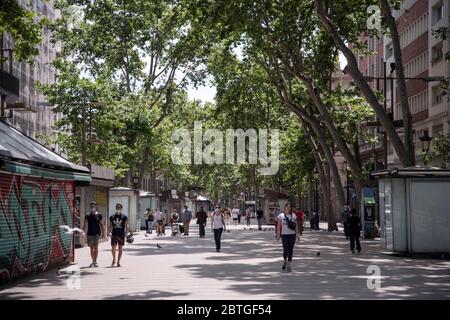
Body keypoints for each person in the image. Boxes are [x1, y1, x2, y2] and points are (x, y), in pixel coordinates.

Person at [276, 203, 299, 272]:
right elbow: (279, 226)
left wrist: (297, 234)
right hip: (284, 235)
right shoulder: (281, 216)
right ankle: (285, 260)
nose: (288, 208)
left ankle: (289, 264)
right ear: (285, 207)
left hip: (292, 235)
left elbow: (296, 225)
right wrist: (278, 235)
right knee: (285, 249)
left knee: (290, 249)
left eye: (290, 207)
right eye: (287, 206)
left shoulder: (293, 215)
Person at [84, 202, 104, 267]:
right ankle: (93, 261)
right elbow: (85, 224)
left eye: (94, 206)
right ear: (90, 207)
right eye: (91, 206)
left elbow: (101, 224)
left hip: (97, 233)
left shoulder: (99, 215)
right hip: (89, 233)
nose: (93, 207)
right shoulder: (87, 215)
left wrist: (103, 232)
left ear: (96, 207)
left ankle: (95, 261)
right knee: (91, 248)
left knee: (96, 247)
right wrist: (83, 232)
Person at [109, 203, 128, 267]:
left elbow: (126, 225)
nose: (118, 209)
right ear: (115, 208)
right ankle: (114, 258)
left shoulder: (124, 217)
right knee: (113, 248)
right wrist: (110, 232)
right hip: (114, 234)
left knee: (120, 248)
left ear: (121, 209)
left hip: (121, 235)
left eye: (119, 208)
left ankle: (118, 261)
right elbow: (110, 225)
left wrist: (127, 232)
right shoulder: (112, 217)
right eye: (117, 208)